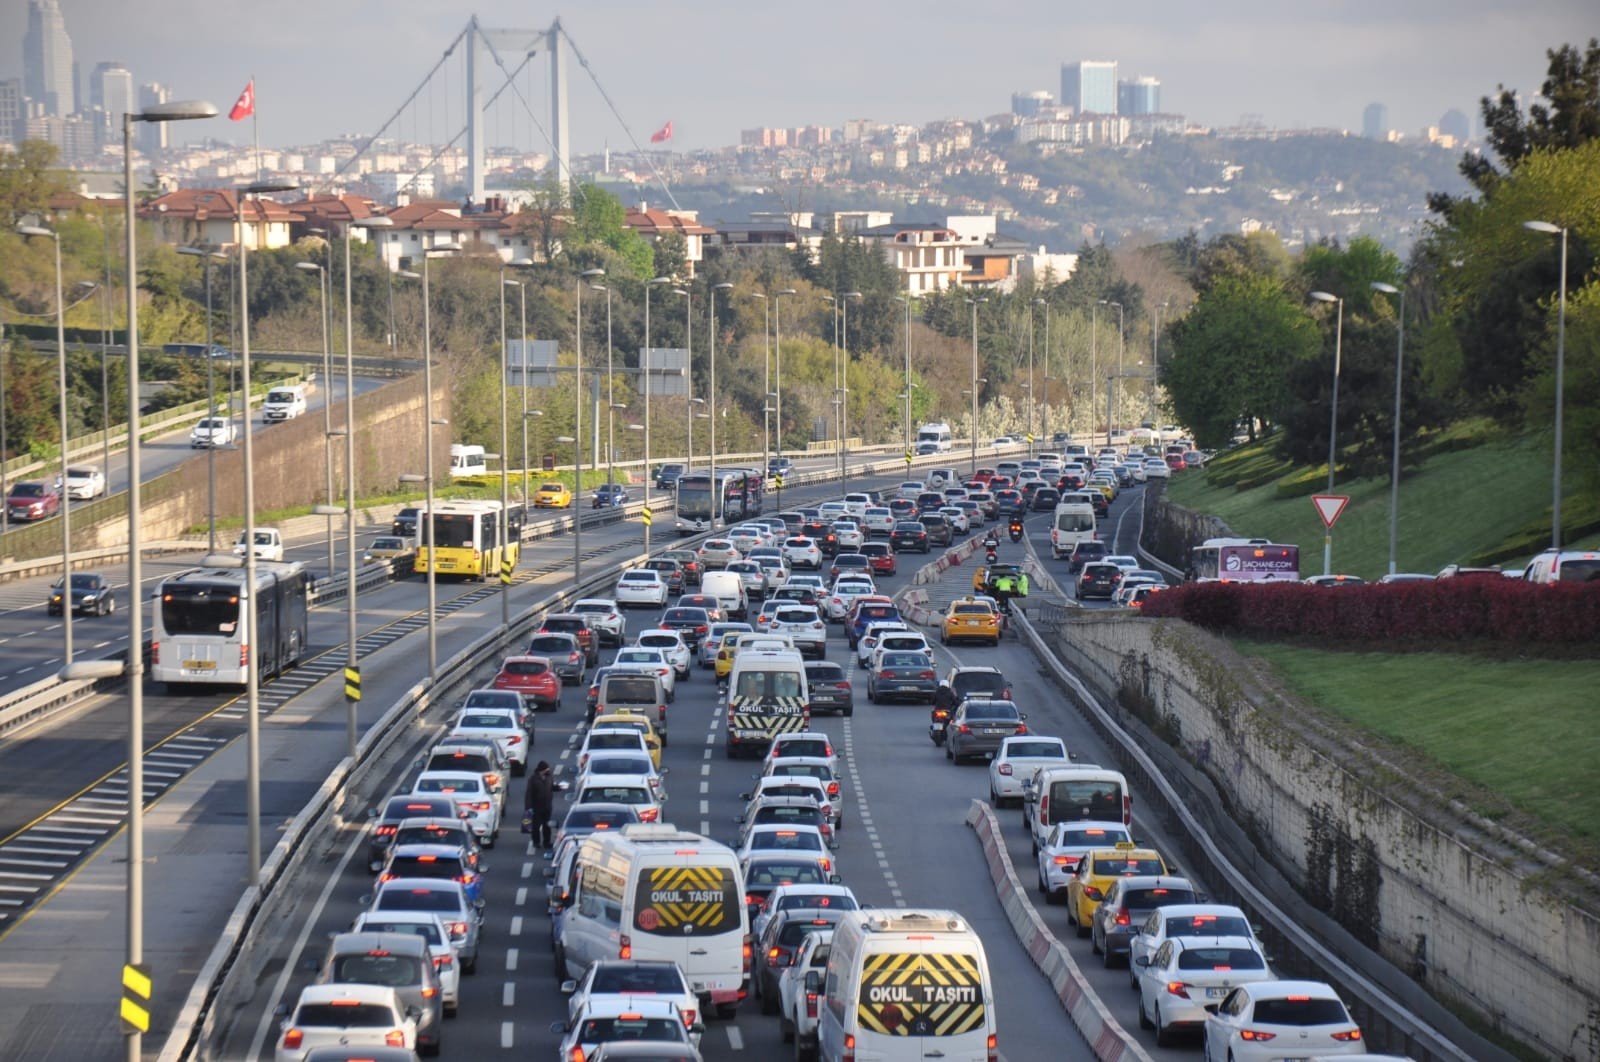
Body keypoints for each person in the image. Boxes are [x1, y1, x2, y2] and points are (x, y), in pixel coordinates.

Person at [525, 760, 555, 850]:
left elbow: (552, 787)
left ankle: (547, 842)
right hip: (537, 807)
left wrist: (558, 788)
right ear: (541, 770)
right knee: (536, 826)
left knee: (547, 825)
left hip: (547, 806)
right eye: (546, 769)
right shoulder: (533, 779)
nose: (548, 771)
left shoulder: (549, 777)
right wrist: (528, 807)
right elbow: (529, 794)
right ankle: (536, 842)